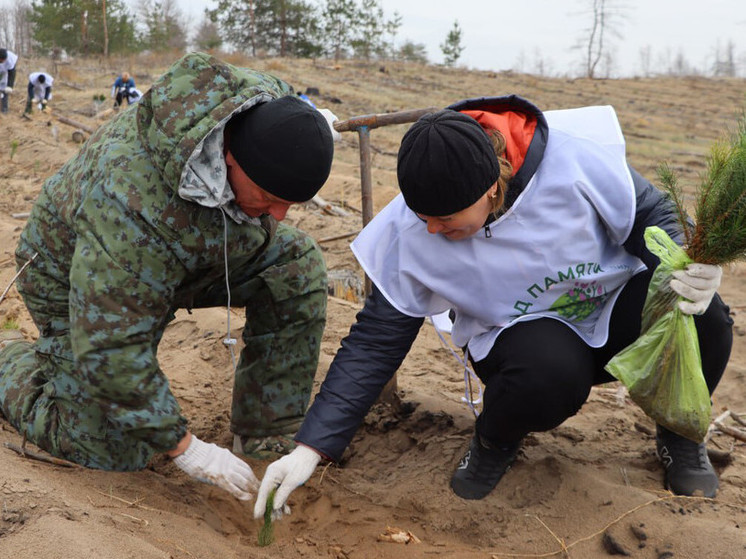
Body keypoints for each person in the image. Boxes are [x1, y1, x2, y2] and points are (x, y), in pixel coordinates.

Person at [254, 95, 733, 518]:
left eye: (445, 219)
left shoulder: (569, 162)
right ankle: (495, 440)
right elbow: (376, 340)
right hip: (522, 337)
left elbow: (650, 214)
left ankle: (680, 436)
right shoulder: (411, 231)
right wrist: (311, 448)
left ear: (491, 189)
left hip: (614, 310)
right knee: (546, 375)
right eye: (422, 218)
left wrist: (686, 263)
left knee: (706, 318)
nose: (433, 231)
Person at [0, 52, 337, 501]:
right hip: (76, 280)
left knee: (296, 264)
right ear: (232, 160)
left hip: (190, 249)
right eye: (271, 197)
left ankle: (264, 434)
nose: (280, 214)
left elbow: (290, 128)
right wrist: (187, 447)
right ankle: (12, 364)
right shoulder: (128, 201)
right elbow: (112, 344)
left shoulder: (260, 109)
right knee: (112, 449)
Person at [0, 48, 18, 114]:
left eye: (3, 60)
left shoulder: (10, 60)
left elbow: (12, 73)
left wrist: (10, 86)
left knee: (4, 89)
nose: (2, 61)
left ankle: (4, 110)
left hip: (5, 72)